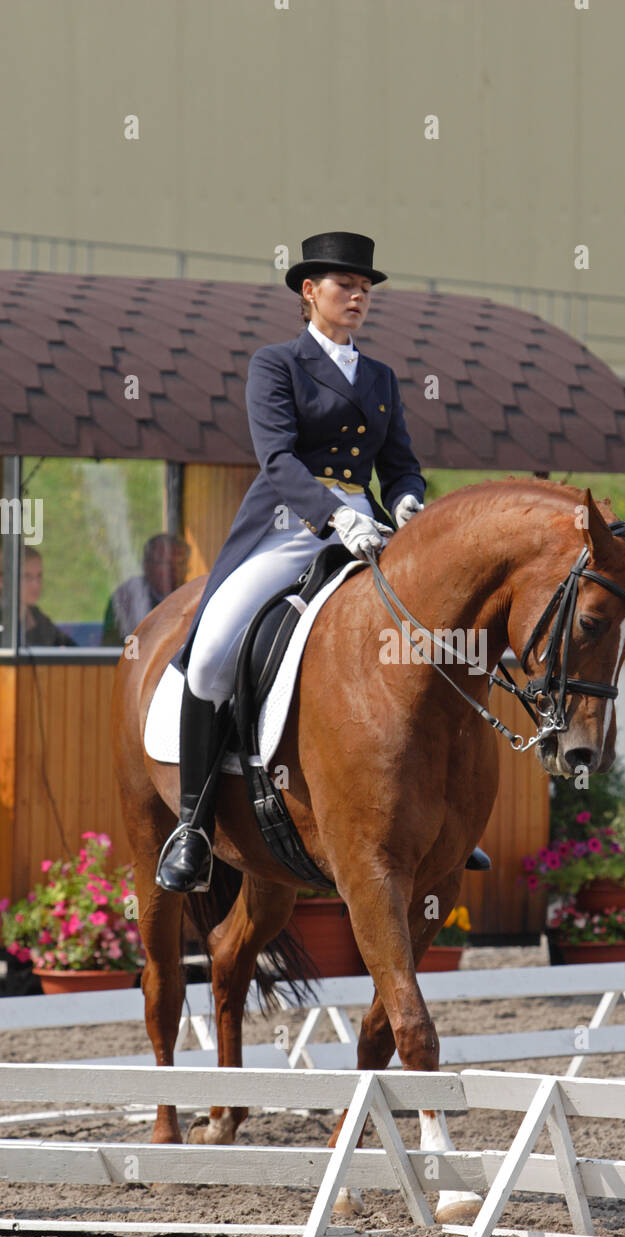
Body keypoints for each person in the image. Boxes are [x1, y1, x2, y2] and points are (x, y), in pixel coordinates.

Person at [155, 231, 428, 893]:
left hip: (369, 530)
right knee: (217, 641)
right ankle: (192, 826)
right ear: (310, 293)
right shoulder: (276, 364)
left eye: (365, 287)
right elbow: (277, 460)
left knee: (436, 636)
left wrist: (411, 504)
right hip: (289, 525)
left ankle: (436, 815)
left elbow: (398, 466)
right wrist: (334, 515)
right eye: (345, 285)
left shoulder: (382, 378)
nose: (358, 295)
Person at [102, 533, 190, 645]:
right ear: (147, 566)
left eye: (181, 563)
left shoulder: (193, 598)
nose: (174, 570)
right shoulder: (127, 598)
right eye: (166, 563)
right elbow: (112, 647)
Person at [19, 546, 77, 647]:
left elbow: (70, 647)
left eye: (39, 576)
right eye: (27, 576)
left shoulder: (36, 615)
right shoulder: (5, 622)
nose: (36, 584)